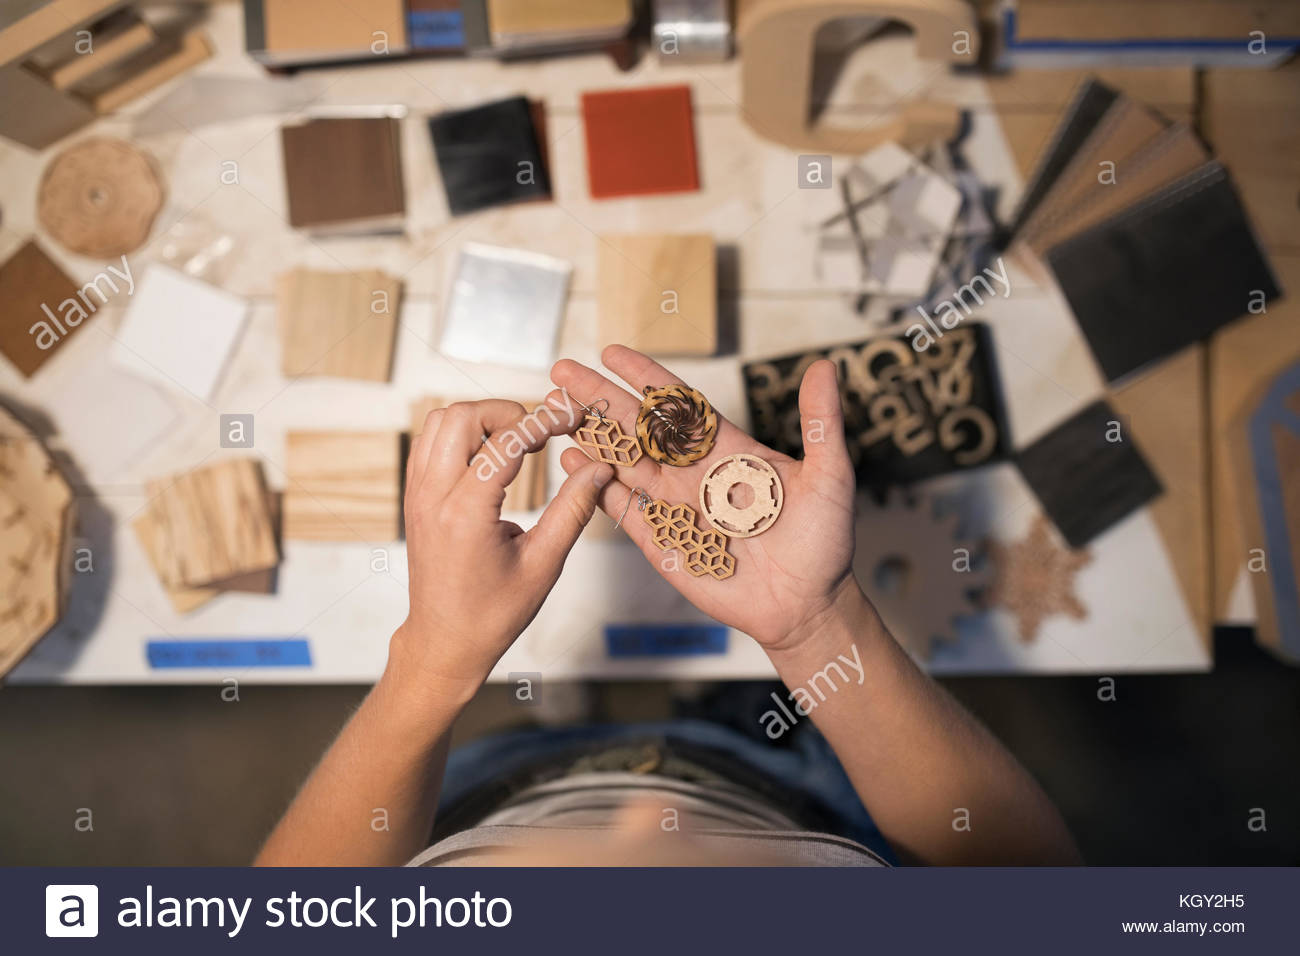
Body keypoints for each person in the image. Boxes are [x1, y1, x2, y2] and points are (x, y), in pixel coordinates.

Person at [256, 345, 1080, 866]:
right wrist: (815, 629)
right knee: (751, 718)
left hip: (498, 786)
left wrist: (431, 664)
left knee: (544, 741)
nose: (651, 811)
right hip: (795, 790)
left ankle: (569, 728)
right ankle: (720, 714)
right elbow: (1022, 874)